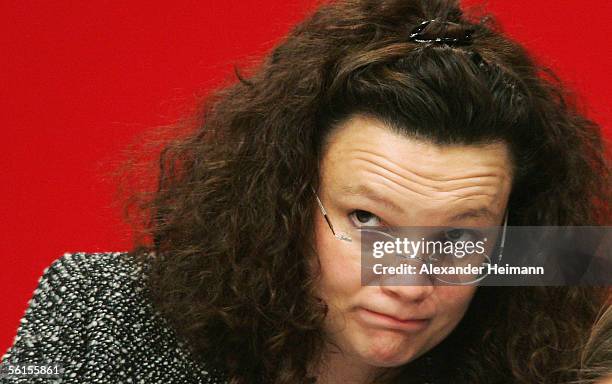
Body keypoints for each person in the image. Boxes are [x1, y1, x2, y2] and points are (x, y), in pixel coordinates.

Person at [2, 0, 610, 383]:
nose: (408, 284)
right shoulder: (104, 311)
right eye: (368, 220)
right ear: (284, 199)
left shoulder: (555, 363)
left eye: (459, 237)